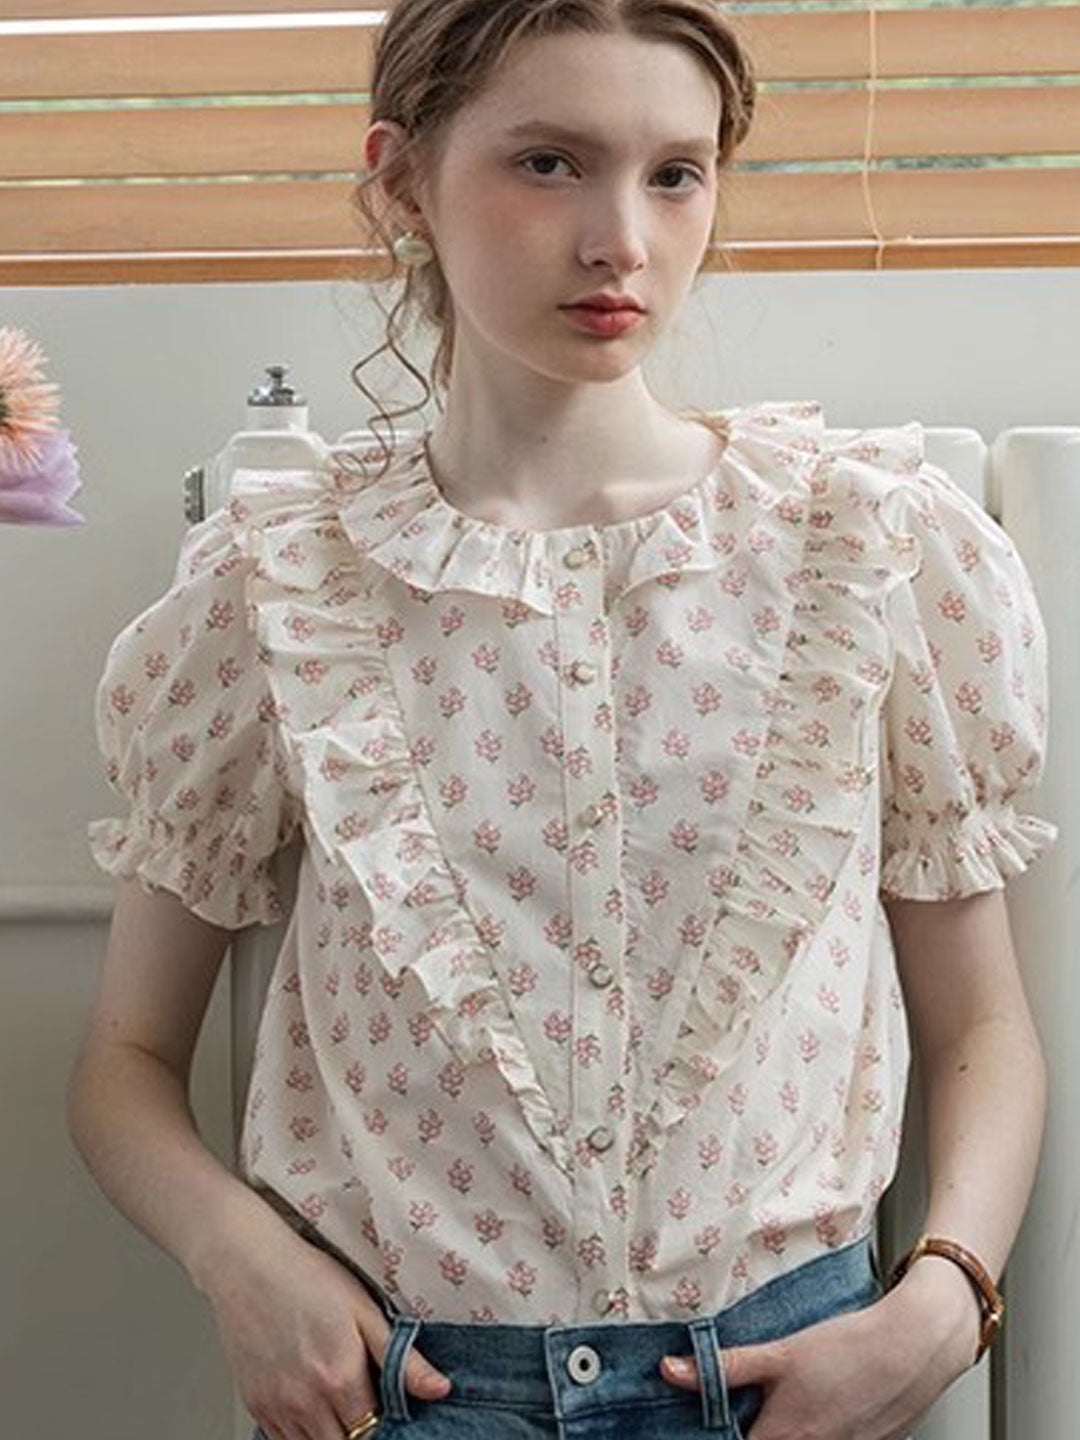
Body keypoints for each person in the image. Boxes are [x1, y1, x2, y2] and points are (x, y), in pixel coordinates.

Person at [66, 2, 1059, 1439]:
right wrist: (241, 1263)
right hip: (412, 1391)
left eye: (675, 173)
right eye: (550, 163)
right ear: (403, 179)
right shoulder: (280, 585)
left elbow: (985, 1023)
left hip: (794, 1378)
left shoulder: (865, 549)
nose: (621, 241)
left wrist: (947, 1299)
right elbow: (124, 1061)